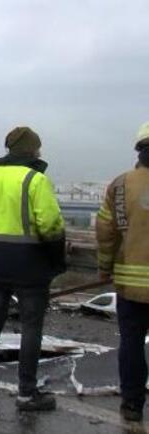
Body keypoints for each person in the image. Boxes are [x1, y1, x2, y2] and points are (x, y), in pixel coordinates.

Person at [0, 126, 66, 411]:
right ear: (32, 150)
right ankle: (26, 393)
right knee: (31, 327)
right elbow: (50, 225)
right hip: (30, 266)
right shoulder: (36, 179)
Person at [96, 121, 149, 422]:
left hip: (131, 287)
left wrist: (105, 267)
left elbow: (106, 231)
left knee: (131, 344)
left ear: (139, 151)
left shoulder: (120, 185)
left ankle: (132, 404)